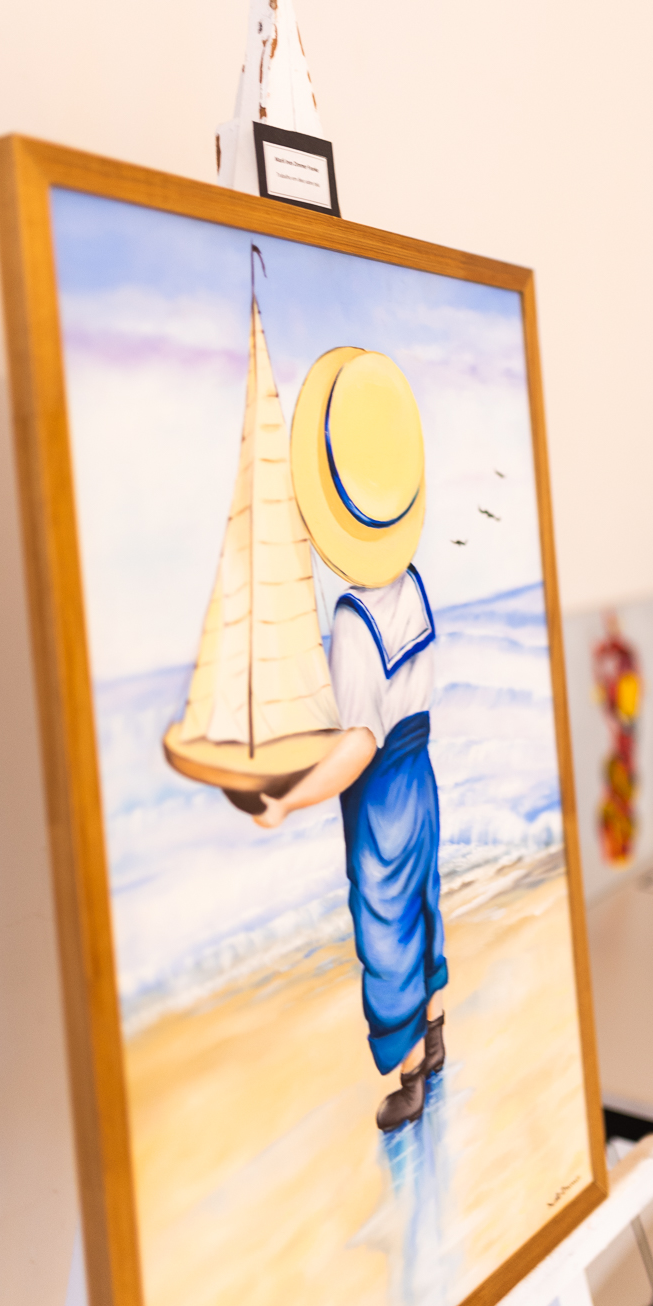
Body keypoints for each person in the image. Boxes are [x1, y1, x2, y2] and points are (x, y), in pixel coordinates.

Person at [253, 348, 447, 1132]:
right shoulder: (414, 586)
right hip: (421, 775)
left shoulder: (352, 619)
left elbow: (357, 746)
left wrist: (286, 800)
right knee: (424, 902)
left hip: (382, 795)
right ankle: (437, 1032)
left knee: (386, 924)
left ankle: (412, 1076)